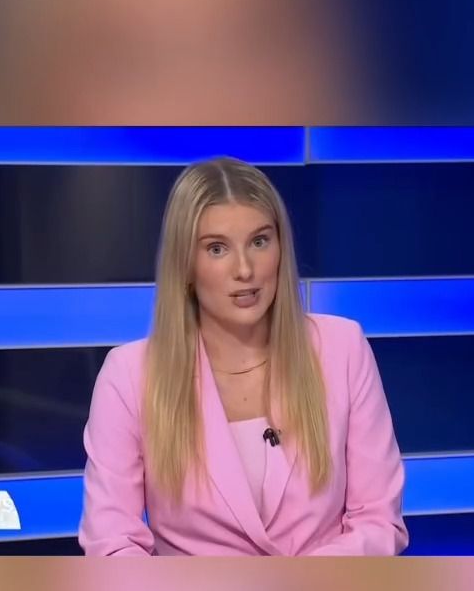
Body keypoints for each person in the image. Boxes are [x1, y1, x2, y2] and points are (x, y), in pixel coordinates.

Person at [79, 157, 408, 556]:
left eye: (259, 242)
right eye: (217, 248)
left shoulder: (343, 348)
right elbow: (113, 544)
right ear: (185, 265)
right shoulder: (131, 376)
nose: (245, 269)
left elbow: (379, 520)